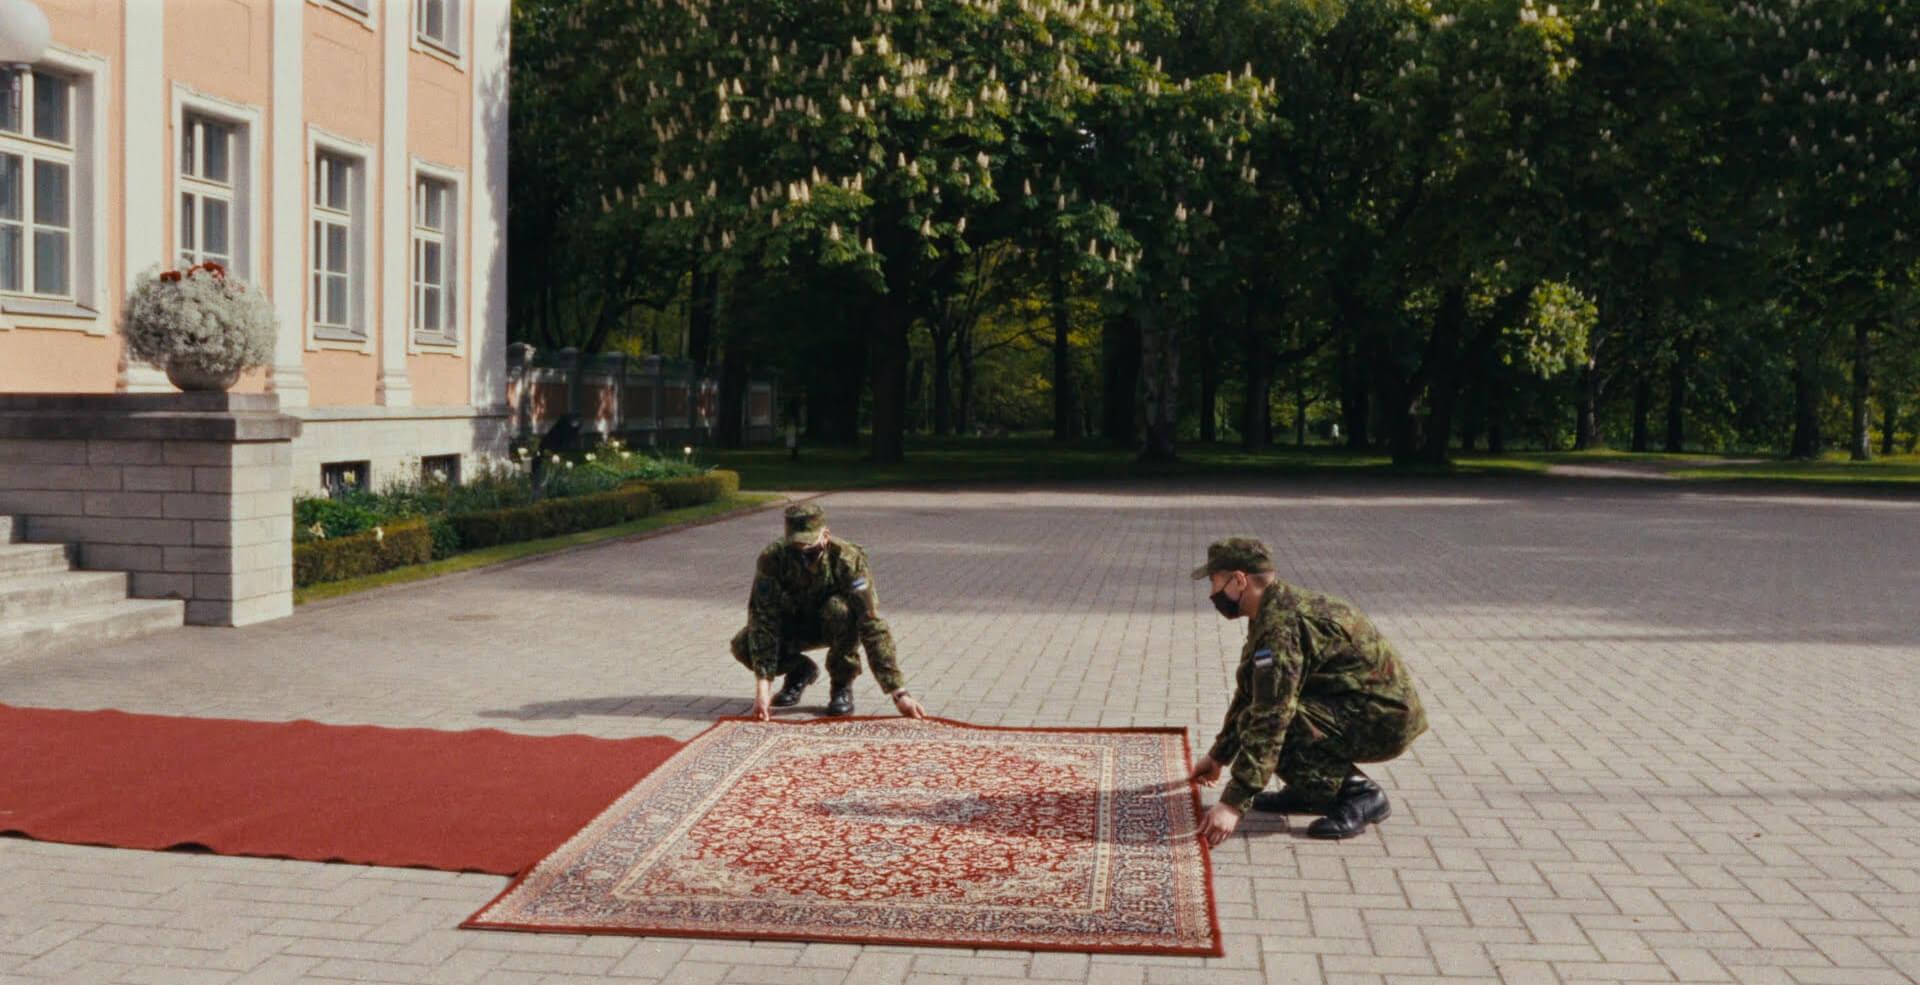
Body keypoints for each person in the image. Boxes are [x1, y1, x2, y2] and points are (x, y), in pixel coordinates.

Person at [1187, 537, 1427, 843]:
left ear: (1239, 580)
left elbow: (1271, 715)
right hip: (1360, 706)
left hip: (1383, 722)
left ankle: (1358, 794)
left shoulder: (1281, 628)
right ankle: (1309, 791)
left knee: (1269, 724)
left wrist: (1232, 803)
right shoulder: (1275, 607)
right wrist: (1219, 755)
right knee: (1264, 714)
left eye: (1215, 581)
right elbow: (1254, 689)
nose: (1212, 593)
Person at [730, 503, 927, 721]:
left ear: (825, 535)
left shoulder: (848, 559)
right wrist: (763, 688)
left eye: (810, 549)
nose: (804, 555)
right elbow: (762, 619)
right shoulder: (773, 559)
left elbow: (871, 623)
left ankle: (841, 686)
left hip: (834, 625)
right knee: (743, 645)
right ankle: (799, 671)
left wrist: (898, 692)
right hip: (793, 624)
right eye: (797, 548)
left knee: (841, 609)